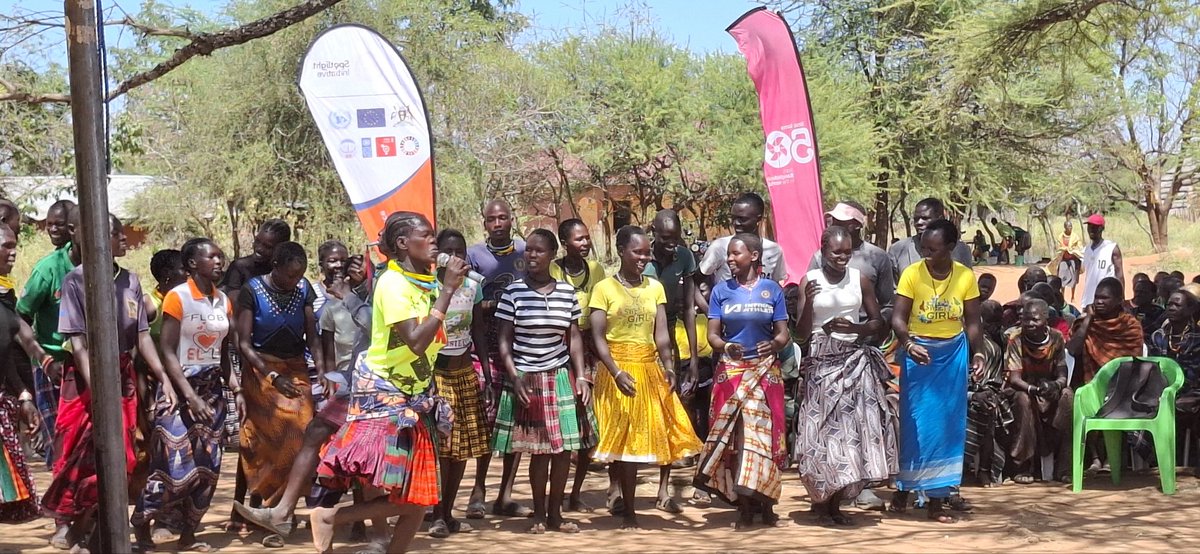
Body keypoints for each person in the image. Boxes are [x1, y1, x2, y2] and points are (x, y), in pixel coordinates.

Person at [311, 211, 467, 554]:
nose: (434, 242)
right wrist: (449, 291)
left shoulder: (424, 280)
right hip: (385, 399)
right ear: (402, 244)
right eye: (425, 236)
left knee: (420, 497)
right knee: (407, 494)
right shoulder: (393, 284)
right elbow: (415, 340)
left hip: (415, 395)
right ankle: (331, 516)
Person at [41, 214, 178, 552]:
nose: (123, 240)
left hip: (122, 375)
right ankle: (72, 525)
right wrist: (99, 388)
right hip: (85, 379)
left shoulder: (130, 281)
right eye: (115, 234)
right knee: (76, 452)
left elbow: (142, 335)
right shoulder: (75, 281)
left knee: (124, 457)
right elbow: (77, 343)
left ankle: (94, 530)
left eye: (120, 233)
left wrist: (164, 378)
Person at [589, 225, 701, 529]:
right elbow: (598, 337)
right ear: (622, 251)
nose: (643, 257)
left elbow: (661, 333)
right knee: (626, 441)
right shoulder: (604, 289)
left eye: (645, 252)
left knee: (662, 429)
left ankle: (659, 494)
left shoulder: (655, 288)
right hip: (618, 371)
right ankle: (628, 511)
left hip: (650, 367)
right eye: (637, 252)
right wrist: (615, 371)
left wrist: (668, 367)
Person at [131, 238, 232, 552]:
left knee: (208, 468)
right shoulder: (178, 298)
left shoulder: (223, 301)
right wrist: (191, 397)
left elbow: (224, 351)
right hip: (180, 391)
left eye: (220, 256)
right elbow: (168, 352)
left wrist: (236, 389)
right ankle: (141, 525)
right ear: (192, 264)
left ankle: (189, 533)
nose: (219, 261)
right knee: (171, 468)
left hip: (213, 392)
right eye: (211, 257)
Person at [794, 226, 895, 526]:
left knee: (848, 434)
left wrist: (857, 329)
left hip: (852, 359)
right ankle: (820, 500)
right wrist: (810, 303)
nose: (842, 257)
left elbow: (878, 323)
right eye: (836, 252)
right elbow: (800, 334)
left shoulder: (859, 279)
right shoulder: (809, 281)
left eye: (847, 252)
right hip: (821, 362)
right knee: (820, 433)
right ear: (823, 250)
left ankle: (836, 504)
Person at [491, 228, 589, 534]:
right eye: (528, 250)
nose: (531, 255)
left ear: (551, 255)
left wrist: (582, 376)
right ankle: (539, 514)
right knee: (539, 449)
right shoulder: (513, 293)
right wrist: (514, 376)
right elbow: (504, 339)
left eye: (538, 251)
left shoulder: (565, 293)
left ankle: (556, 514)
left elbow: (573, 337)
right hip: (527, 376)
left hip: (559, 374)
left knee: (562, 450)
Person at [693, 232, 791, 528]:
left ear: (755, 256)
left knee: (766, 437)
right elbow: (713, 335)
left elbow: (783, 334)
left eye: (736, 254)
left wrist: (774, 345)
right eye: (729, 255)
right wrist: (725, 346)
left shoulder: (772, 290)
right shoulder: (722, 291)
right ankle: (745, 505)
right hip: (732, 373)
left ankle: (768, 502)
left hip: (765, 373)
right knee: (738, 439)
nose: (730, 259)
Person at [890, 219, 983, 524]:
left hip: (952, 355)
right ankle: (904, 488)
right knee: (916, 426)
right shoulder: (911, 274)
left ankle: (936, 501)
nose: (927, 254)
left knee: (947, 426)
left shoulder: (965, 276)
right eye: (924, 248)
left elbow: (972, 321)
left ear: (951, 248)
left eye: (934, 249)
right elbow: (898, 318)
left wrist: (978, 352)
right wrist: (908, 343)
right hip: (918, 355)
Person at [235, 241, 325, 546]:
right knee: (268, 443)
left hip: (297, 368)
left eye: (300, 275)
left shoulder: (304, 291)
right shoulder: (252, 290)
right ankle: (271, 512)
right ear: (275, 267)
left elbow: (312, 337)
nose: (295, 282)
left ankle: (280, 511)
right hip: (261, 371)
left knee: (301, 436)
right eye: (289, 276)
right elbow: (243, 343)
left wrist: (322, 371)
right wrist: (272, 377)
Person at [464, 199, 526, 518]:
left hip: (521, 346)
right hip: (484, 345)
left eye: (503, 217)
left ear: (511, 219)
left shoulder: (526, 251)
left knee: (516, 422)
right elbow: (468, 300)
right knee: (486, 420)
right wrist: (490, 305)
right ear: (484, 223)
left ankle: (505, 495)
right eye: (492, 219)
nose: (498, 223)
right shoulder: (474, 255)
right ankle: (478, 490)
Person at [428, 229, 492, 538]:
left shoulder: (473, 286)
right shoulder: (428, 287)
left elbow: (478, 330)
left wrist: (488, 376)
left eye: (460, 252)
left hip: (464, 373)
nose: (455, 257)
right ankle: (437, 512)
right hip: (436, 376)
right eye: (448, 251)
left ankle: (449, 512)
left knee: (462, 449)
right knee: (442, 450)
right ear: (438, 254)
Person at [547, 219, 605, 513]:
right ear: (564, 242)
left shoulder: (595, 270)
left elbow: (598, 309)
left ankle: (576, 492)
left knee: (588, 422)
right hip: (559, 349)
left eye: (587, 238)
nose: (585, 243)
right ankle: (554, 493)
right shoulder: (553, 269)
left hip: (591, 347)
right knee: (563, 423)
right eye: (578, 239)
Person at [16, 204, 80, 466]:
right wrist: (44, 361)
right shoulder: (48, 269)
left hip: (89, 368)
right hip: (53, 367)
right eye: (49, 224)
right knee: (60, 444)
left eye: (60, 224)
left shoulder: (103, 266)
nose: (53, 229)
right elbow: (19, 319)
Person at [0, 223, 53, 523]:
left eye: (14, 245)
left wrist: (22, 394)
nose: (13, 251)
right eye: (6, 246)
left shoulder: (5, 293)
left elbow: (15, 344)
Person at [1005, 299, 1073, 484]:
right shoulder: (1016, 339)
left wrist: (1056, 385)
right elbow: (1014, 379)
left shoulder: (1057, 337)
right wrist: (1033, 389)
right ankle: (1023, 466)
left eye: (1035, 319)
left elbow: (1061, 371)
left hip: (1048, 387)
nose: (1029, 324)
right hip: (1024, 388)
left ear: (1046, 319)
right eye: (1025, 319)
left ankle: (1065, 467)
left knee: (1067, 396)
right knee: (1023, 400)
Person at [808, 201, 895, 319]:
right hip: (826, 331)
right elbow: (809, 299)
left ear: (857, 225)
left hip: (867, 331)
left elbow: (887, 304)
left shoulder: (877, 257)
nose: (834, 224)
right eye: (833, 220)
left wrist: (877, 329)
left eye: (840, 221)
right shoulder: (819, 257)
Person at [1148, 285, 1200, 474]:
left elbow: (1194, 373)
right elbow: (1152, 369)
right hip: (1161, 391)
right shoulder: (1158, 336)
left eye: (1177, 305)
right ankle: (1157, 460)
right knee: (1140, 408)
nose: (1171, 308)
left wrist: (1176, 389)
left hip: (1192, 391)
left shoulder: (1198, 338)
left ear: (1190, 310)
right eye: (1169, 304)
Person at [965, 300, 1011, 487]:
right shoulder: (961, 343)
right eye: (991, 323)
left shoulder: (994, 346)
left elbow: (994, 380)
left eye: (998, 323)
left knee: (989, 408)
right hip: (957, 393)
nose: (995, 328)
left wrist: (982, 393)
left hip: (985, 391)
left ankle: (984, 470)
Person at [1067, 277, 1143, 388]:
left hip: (1120, 385)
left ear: (1119, 300)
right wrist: (1088, 319)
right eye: (1096, 297)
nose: (1099, 302)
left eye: (1104, 298)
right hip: (1086, 385)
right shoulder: (1083, 323)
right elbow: (1072, 350)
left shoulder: (1130, 325)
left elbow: (1132, 362)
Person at [699, 193, 788, 283]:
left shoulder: (774, 250)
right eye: (733, 218)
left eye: (743, 219)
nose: (736, 223)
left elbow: (777, 283)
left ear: (758, 218)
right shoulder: (720, 246)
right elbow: (697, 279)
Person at [888, 198, 973, 279]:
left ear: (940, 218)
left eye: (925, 218)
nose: (919, 223)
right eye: (916, 219)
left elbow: (965, 284)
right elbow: (892, 291)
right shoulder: (898, 250)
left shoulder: (961, 250)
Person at [1080, 214, 1123, 308]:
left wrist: (1121, 299)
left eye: (1095, 227)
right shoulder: (1086, 250)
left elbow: (1119, 275)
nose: (1091, 229)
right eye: (1089, 226)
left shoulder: (1111, 248)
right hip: (1088, 300)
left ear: (1102, 229)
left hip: (1106, 300)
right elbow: (1082, 271)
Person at [1048, 220, 1083, 302]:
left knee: (1073, 279)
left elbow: (1079, 248)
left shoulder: (1075, 237)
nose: (1070, 228)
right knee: (1061, 278)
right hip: (1063, 260)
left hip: (1073, 260)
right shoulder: (1060, 237)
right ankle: (1062, 296)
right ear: (1065, 227)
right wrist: (1064, 249)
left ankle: (1073, 297)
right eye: (1068, 226)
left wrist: (1072, 250)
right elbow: (1058, 248)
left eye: (1071, 226)